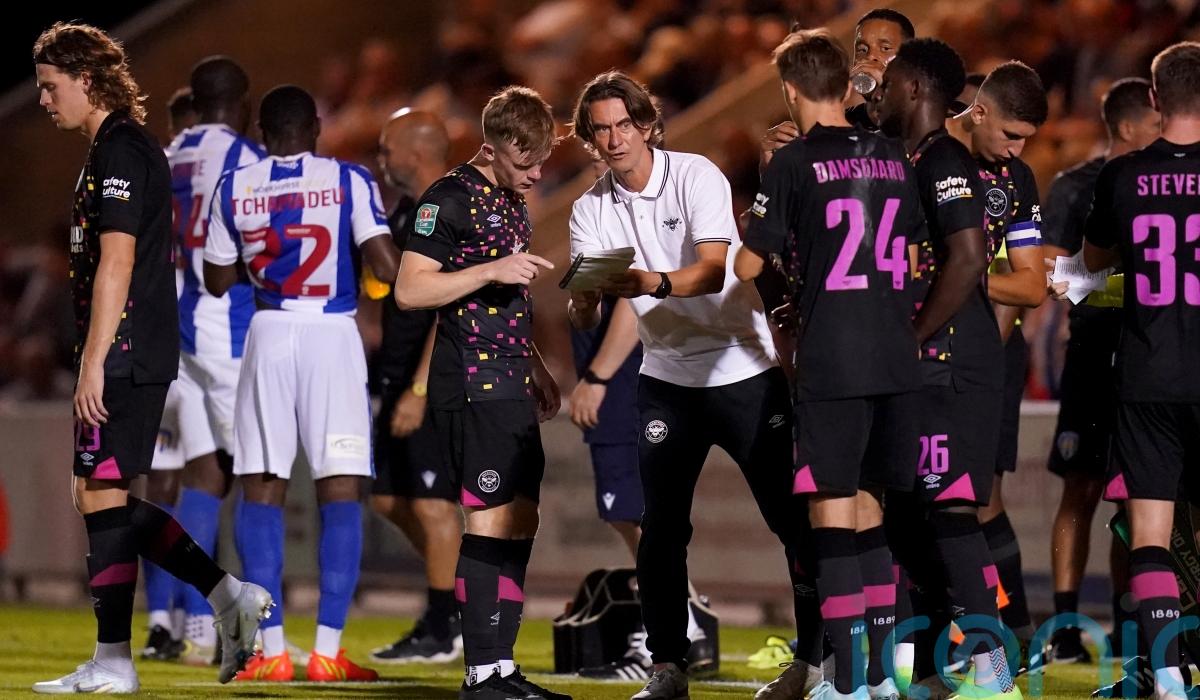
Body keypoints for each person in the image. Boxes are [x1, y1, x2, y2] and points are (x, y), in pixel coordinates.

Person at [31, 22, 270, 694]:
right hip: (128, 345)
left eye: (50, 85)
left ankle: (118, 659)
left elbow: (118, 258)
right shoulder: (111, 147)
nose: (43, 99)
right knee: (96, 494)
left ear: (86, 79)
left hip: (128, 348)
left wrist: (94, 359)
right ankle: (225, 597)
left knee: (102, 493)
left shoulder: (123, 149)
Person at [568, 69, 818, 700]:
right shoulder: (589, 208)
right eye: (601, 130)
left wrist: (646, 283)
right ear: (589, 138)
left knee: (790, 518)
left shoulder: (695, 175)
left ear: (647, 125)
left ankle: (815, 660)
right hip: (667, 376)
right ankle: (667, 667)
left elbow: (711, 271)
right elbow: (585, 310)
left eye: (624, 125)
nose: (615, 139)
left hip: (742, 366)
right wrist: (585, 299)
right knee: (660, 530)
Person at [736, 30, 927, 700]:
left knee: (831, 518)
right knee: (872, 514)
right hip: (895, 356)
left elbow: (748, 265)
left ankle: (843, 682)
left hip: (833, 360)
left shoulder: (792, 163)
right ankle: (881, 677)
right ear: (847, 87)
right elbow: (911, 256)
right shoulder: (894, 156)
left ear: (790, 91)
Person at [203, 85, 396, 683]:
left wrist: (265, 262)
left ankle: (273, 652)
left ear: (261, 134)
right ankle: (328, 651)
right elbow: (386, 266)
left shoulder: (234, 186)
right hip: (331, 333)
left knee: (261, 487)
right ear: (315, 127)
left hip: (268, 332)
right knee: (341, 487)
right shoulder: (348, 179)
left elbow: (215, 280)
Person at [394, 85, 570, 700]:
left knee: (521, 519)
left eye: (542, 162)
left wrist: (536, 365)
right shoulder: (447, 199)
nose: (537, 174)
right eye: (526, 162)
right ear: (492, 148)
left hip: (511, 380)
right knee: (490, 519)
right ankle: (481, 673)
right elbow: (410, 290)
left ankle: (503, 668)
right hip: (471, 383)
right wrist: (490, 270)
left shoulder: (511, 200)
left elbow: (508, 300)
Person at [874, 37, 1023, 700]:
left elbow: (966, 257)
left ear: (914, 88)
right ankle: (932, 674)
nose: (880, 93)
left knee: (953, 513)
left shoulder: (943, 160)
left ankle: (995, 675)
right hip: (922, 367)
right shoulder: (901, 155)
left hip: (952, 363)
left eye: (890, 82)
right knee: (910, 522)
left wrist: (913, 336)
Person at [1082, 41, 1200, 700]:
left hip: (1148, 374)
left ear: (1155, 100)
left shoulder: (1121, 175)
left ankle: (1168, 678)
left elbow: (1094, 258)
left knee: (1149, 535)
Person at [1041, 78, 1160, 668]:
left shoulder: (1160, 181)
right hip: (1093, 353)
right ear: (1131, 127)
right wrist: (1120, 284)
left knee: (1136, 497)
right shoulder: (1076, 186)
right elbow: (1050, 273)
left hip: (1147, 357)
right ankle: (1065, 626)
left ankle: (1127, 621)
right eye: (1156, 123)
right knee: (1082, 487)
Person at [156, 55, 267, 668]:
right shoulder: (248, 159)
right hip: (230, 328)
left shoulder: (168, 154)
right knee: (259, 476)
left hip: (181, 329)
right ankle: (257, 634)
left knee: (204, 478)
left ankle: (199, 625)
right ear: (243, 102)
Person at [945, 60, 1049, 670]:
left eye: (1026, 140)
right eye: (1011, 135)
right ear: (977, 111)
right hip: (912, 356)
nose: (1017, 151)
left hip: (980, 359)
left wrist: (958, 278)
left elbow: (1030, 286)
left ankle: (1006, 638)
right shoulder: (924, 157)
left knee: (973, 498)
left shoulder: (1015, 180)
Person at [367, 109, 466, 665]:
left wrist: (421, 388)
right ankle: (455, 595)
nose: (381, 157)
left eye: (387, 147)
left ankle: (445, 623)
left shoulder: (449, 206)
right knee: (387, 496)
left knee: (432, 504)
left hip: (432, 381)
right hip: (397, 374)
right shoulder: (409, 210)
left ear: (417, 150)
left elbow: (450, 305)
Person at [759, 8, 916, 169]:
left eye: (885, 48)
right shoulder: (841, 126)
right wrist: (772, 167)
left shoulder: (925, 117)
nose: (870, 57)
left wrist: (890, 94)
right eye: (862, 50)